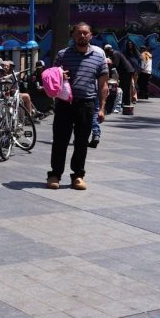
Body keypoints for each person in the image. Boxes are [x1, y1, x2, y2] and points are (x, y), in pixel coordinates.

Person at [47, 22, 108, 191]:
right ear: (73, 35)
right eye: (78, 33)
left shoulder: (98, 56)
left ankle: (78, 176)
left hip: (86, 104)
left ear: (91, 35)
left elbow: (103, 85)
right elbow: (52, 77)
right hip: (65, 104)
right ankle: (55, 174)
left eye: (85, 33)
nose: (82, 36)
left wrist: (102, 108)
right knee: (60, 141)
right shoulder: (62, 54)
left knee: (81, 142)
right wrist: (60, 75)